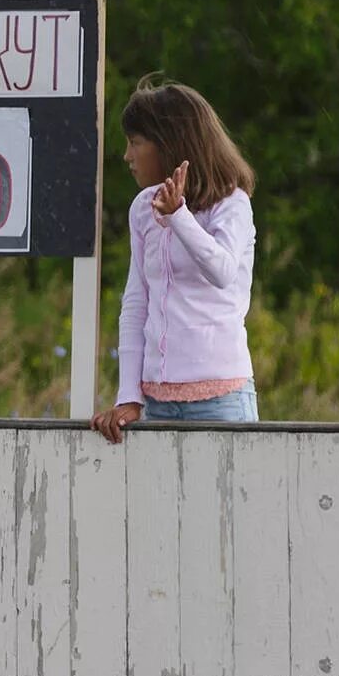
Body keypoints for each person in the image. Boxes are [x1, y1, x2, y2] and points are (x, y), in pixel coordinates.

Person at [91, 77, 258, 443]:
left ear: (170, 146)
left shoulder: (232, 205)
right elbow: (136, 305)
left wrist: (179, 216)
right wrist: (129, 397)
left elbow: (222, 271)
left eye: (136, 143)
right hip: (157, 400)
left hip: (221, 400)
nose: (127, 156)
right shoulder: (142, 209)